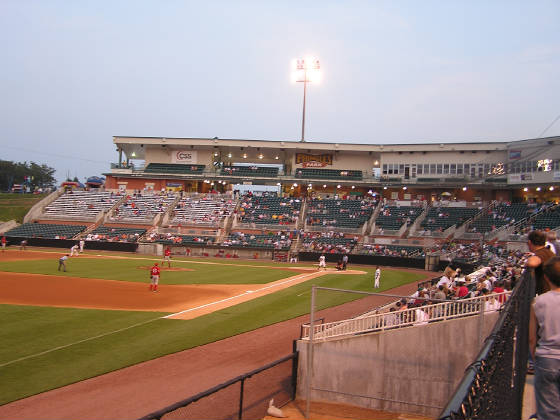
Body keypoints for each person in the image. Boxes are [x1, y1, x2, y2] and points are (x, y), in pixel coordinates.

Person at [529, 256, 560, 420]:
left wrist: (535, 357)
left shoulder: (538, 301)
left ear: (546, 278)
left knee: (548, 412)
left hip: (546, 358)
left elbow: (532, 338)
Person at [527, 230, 556, 296]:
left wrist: (528, 260)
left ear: (529, 242)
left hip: (546, 293)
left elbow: (532, 263)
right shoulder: (548, 252)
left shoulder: (542, 253)